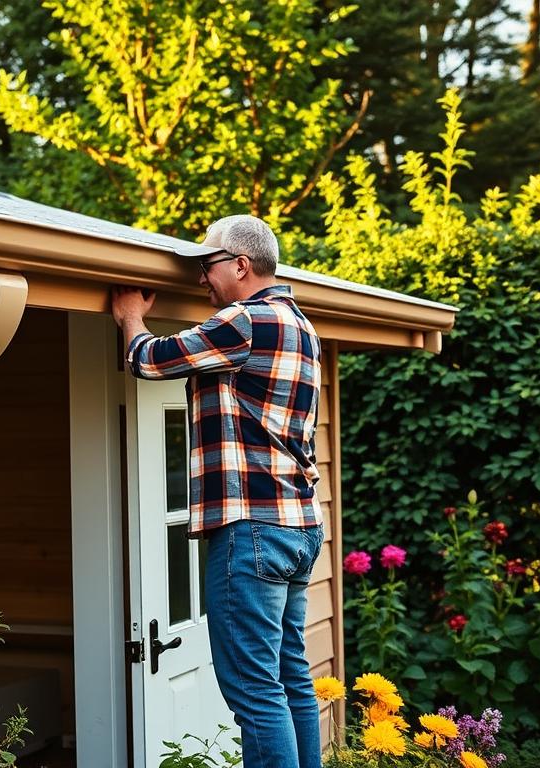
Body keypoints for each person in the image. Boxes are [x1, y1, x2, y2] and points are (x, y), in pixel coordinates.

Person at [111, 214, 324, 768]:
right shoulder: (303, 327)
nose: (201, 279)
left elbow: (148, 360)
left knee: (254, 690)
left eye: (206, 266)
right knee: (289, 676)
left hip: (251, 528)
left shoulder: (244, 321)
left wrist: (131, 316)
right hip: (298, 526)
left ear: (240, 265)